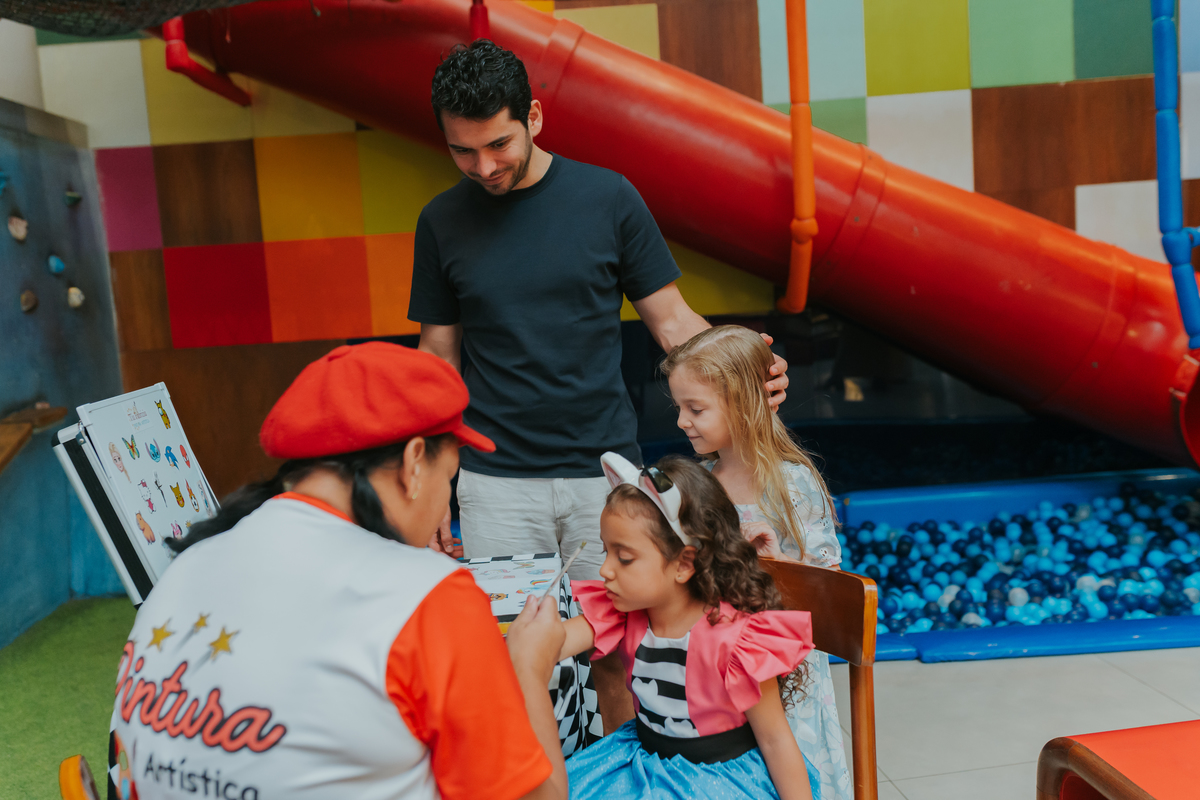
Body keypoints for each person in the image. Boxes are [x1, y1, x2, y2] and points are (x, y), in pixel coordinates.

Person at [409, 38, 788, 731]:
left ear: (535, 116)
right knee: (513, 656)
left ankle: (618, 777)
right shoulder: (440, 221)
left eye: (498, 144)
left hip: (603, 475)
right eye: (463, 152)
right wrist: (435, 474)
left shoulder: (608, 197)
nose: (484, 167)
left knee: (619, 649)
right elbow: (439, 357)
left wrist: (742, 370)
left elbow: (671, 318)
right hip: (496, 485)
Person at [108, 342, 568, 800]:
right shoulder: (429, 596)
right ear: (413, 463)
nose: (443, 508)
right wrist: (527, 666)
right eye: (449, 478)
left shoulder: (189, 564)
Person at [555, 453, 818, 800]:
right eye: (605, 551)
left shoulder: (737, 640)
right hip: (642, 765)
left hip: (720, 783)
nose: (604, 570)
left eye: (624, 557)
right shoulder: (623, 612)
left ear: (684, 564)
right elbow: (553, 643)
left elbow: (774, 739)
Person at [661, 325, 850, 800]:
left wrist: (778, 563)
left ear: (744, 403)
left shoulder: (792, 485)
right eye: (680, 407)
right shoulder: (698, 486)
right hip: (717, 671)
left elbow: (830, 590)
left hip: (786, 677)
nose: (683, 421)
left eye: (696, 409)